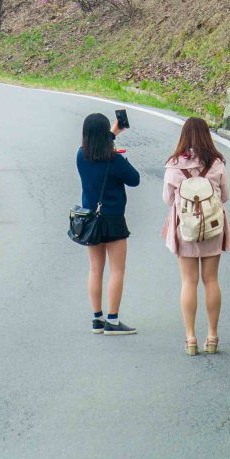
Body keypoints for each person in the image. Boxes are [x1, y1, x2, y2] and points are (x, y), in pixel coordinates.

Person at [162, 116, 230, 355]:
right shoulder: (217, 163)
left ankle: (191, 338)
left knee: (188, 281)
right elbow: (225, 197)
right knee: (211, 280)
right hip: (212, 228)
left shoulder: (173, 165)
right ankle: (212, 337)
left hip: (185, 230)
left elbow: (167, 200)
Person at [76, 111, 140, 334]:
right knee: (117, 271)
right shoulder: (115, 160)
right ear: (104, 134)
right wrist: (114, 144)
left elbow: (96, 147)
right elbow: (135, 180)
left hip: (90, 221)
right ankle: (113, 321)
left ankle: (97, 319)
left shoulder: (80, 156)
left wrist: (113, 133)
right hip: (113, 220)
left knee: (95, 269)